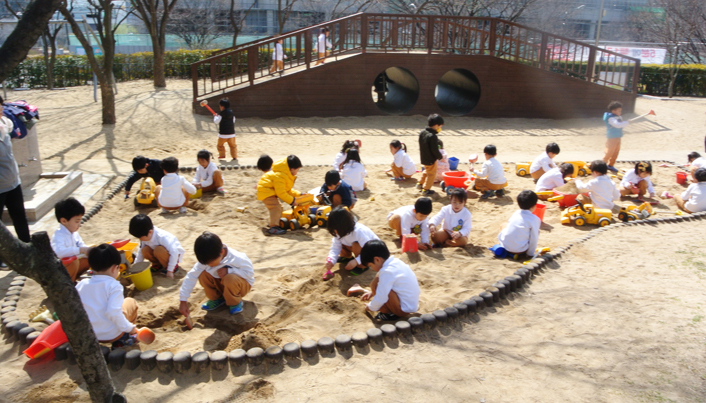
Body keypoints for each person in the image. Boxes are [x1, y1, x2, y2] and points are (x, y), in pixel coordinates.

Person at [76, 244, 141, 349]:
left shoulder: (81, 284)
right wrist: (131, 328)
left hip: (89, 334)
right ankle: (123, 338)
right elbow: (113, 312)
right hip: (112, 334)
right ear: (115, 268)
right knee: (130, 302)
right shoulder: (114, 286)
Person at [178, 232, 254, 316]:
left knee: (230, 278)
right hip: (221, 284)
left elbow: (249, 273)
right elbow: (191, 276)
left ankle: (234, 302)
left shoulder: (238, 258)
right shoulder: (206, 259)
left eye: (211, 263)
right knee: (202, 274)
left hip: (240, 286)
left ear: (221, 252)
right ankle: (217, 298)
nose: (209, 265)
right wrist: (183, 301)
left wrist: (229, 271)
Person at [356, 240, 420, 322]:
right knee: (378, 278)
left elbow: (381, 297)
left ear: (377, 260)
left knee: (377, 285)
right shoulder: (395, 262)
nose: (372, 268)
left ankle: (388, 313)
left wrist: (370, 307)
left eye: (370, 265)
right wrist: (372, 293)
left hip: (404, 310)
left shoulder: (387, 272)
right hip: (411, 304)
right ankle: (391, 310)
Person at [0, 98, 30, 269]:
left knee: (19, 216)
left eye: (1, 107)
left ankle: (27, 248)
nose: (0, 111)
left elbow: (14, 126)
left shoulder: (5, 123)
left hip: (13, 181)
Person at [322, 207, 380, 280]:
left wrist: (356, 261)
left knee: (356, 245)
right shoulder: (339, 232)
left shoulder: (358, 231)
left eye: (336, 229)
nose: (335, 232)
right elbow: (335, 247)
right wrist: (331, 260)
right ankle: (347, 257)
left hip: (373, 251)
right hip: (356, 247)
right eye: (333, 229)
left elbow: (369, 250)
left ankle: (362, 265)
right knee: (342, 243)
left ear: (344, 225)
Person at [256, 155, 303, 235]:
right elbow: (281, 193)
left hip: (269, 191)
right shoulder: (280, 176)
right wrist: (292, 201)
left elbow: (287, 190)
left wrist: (299, 194)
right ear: (291, 169)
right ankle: (273, 227)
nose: (297, 173)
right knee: (275, 207)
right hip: (266, 191)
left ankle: (274, 222)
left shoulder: (284, 175)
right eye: (297, 170)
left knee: (279, 207)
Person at [129, 214, 185, 279]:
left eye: (140, 237)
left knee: (159, 250)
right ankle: (157, 265)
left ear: (150, 232)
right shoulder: (145, 235)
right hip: (158, 254)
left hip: (173, 256)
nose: (140, 239)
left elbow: (174, 252)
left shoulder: (162, 237)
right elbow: (140, 253)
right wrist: (136, 267)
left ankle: (172, 267)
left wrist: (170, 270)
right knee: (144, 250)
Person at [51, 197, 91, 282]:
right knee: (73, 262)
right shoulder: (58, 236)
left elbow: (82, 245)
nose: (79, 224)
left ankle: (75, 280)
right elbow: (59, 252)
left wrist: (87, 250)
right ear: (64, 221)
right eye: (77, 221)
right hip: (59, 273)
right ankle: (69, 286)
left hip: (73, 268)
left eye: (80, 221)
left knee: (90, 257)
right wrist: (80, 250)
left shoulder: (74, 233)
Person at [497, 190, 541, 261]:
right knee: (536, 232)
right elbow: (534, 238)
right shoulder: (535, 219)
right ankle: (519, 251)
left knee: (503, 225)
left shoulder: (516, 213)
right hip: (520, 250)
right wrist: (530, 253)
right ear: (534, 206)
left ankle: (500, 245)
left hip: (505, 246)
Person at [418, 114, 444, 196]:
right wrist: (440, 157)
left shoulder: (423, 132)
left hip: (423, 157)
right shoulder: (433, 136)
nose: (440, 128)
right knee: (431, 174)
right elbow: (434, 150)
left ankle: (420, 184)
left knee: (426, 171)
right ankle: (426, 189)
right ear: (436, 125)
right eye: (440, 126)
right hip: (430, 160)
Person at [603, 101, 629, 173]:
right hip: (612, 137)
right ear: (613, 111)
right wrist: (627, 122)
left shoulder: (618, 117)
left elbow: (620, 125)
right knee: (609, 151)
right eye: (619, 111)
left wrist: (625, 123)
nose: (620, 112)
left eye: (620, 110)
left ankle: (610, 165)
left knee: (616, 151)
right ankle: (602, 164)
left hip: (618, 137)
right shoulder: (611, 118)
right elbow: (617, 125)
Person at [214, 97, 237, 163]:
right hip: (232, 134)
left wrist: (215, 116)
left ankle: (222, 155)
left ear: (222, 106)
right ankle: (234, 156)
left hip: (223, 134)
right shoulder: (232, 113)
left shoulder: (221, 114)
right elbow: (233, 121)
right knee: (233, 146)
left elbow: (216, 121)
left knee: (220, 145)